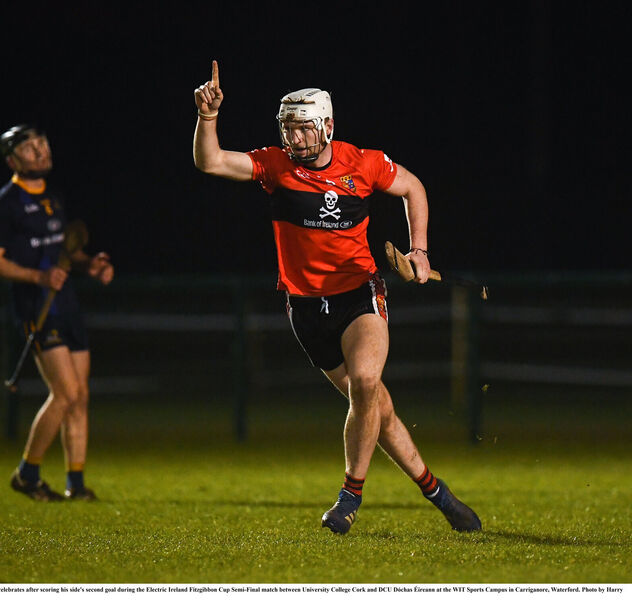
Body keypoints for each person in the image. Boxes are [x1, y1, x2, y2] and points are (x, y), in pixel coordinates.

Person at [192, 61, 481, 534]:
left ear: (327, 126)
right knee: (377, 407)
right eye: (288, 129)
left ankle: (349, 498)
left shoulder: (362, 162)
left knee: (367, 382)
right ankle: (439, 493)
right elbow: (212, 162)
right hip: (305, 309)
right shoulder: (276, 166)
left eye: (304, 129)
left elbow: (413, 188)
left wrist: (420, 250)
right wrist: (207, 118)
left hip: (358, 294)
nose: (295, 139)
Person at [0, 125, 114, 502]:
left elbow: (63, 256)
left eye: (42, 143)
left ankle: (76, 484)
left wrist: (91, 266)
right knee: (65, 393)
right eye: (29, 147)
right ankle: (27, 473)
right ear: (12, 160)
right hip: (37, 309)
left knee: (81, 395)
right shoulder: (4, 205)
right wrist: (37, 276)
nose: (40, 151)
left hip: (67, 305)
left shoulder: (53, 198)